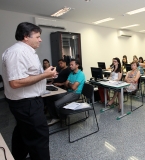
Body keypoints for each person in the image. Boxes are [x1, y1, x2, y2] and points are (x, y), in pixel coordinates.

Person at [1, 22, 57, 160]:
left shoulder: (25, 52)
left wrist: (45, 74)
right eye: (37, 36)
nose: (40, 39)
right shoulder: (17, 53)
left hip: (27, 102)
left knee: (23, 131)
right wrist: (44, 75)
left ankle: (17, 156)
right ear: (26, 36)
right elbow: (15, 82)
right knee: (39, 138)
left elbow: (28, 75)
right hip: (27, 103)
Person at [47, 59, 85, 125]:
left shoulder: (81, 74)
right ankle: (55, 117)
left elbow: (73, 87)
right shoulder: (71, 73)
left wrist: (69, 84)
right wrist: (70, 84)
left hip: (75, 94)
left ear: (77, 65)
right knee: (49, 98)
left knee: (57, 103)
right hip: (68, 92)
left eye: (72, 65)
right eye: (70, 65)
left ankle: (62, 119)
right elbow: (66, 84)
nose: (70, 66)